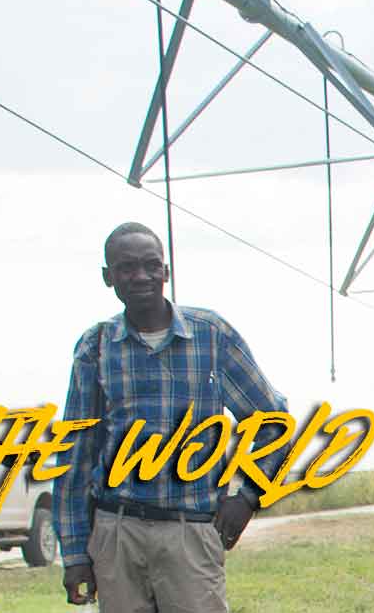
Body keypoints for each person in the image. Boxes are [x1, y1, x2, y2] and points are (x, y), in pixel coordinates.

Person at [57, 222, 291, 612]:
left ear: (167, 272)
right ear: (108, 276)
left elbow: (275, 422)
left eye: (151, 265)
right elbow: (76, 456)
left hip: (191, 531)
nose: (141, 276)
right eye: (127, 267)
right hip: (116, 532)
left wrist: (248, 497)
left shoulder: (210, 335)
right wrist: (76, 555)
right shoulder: (96, 346)